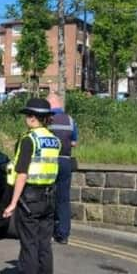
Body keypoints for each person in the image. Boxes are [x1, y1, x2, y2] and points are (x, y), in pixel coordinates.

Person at [3, 98, 61, 274]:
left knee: (29, 247)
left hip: (30, 197)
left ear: (35, 117)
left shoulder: (29, 140)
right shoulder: (54, 140)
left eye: (29, 114)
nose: (27, 118)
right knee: (45, 246)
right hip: (48, 197)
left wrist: (12, 202)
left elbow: (22, 174)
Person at [47, 92, 78, 245]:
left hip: (49, 161)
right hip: (65, 161)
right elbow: (74, 143)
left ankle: (48, 231)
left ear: (52, 104)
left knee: (47, 196)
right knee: (63, 198)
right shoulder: (70, 120)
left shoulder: (47, 119)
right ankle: (63, 234)